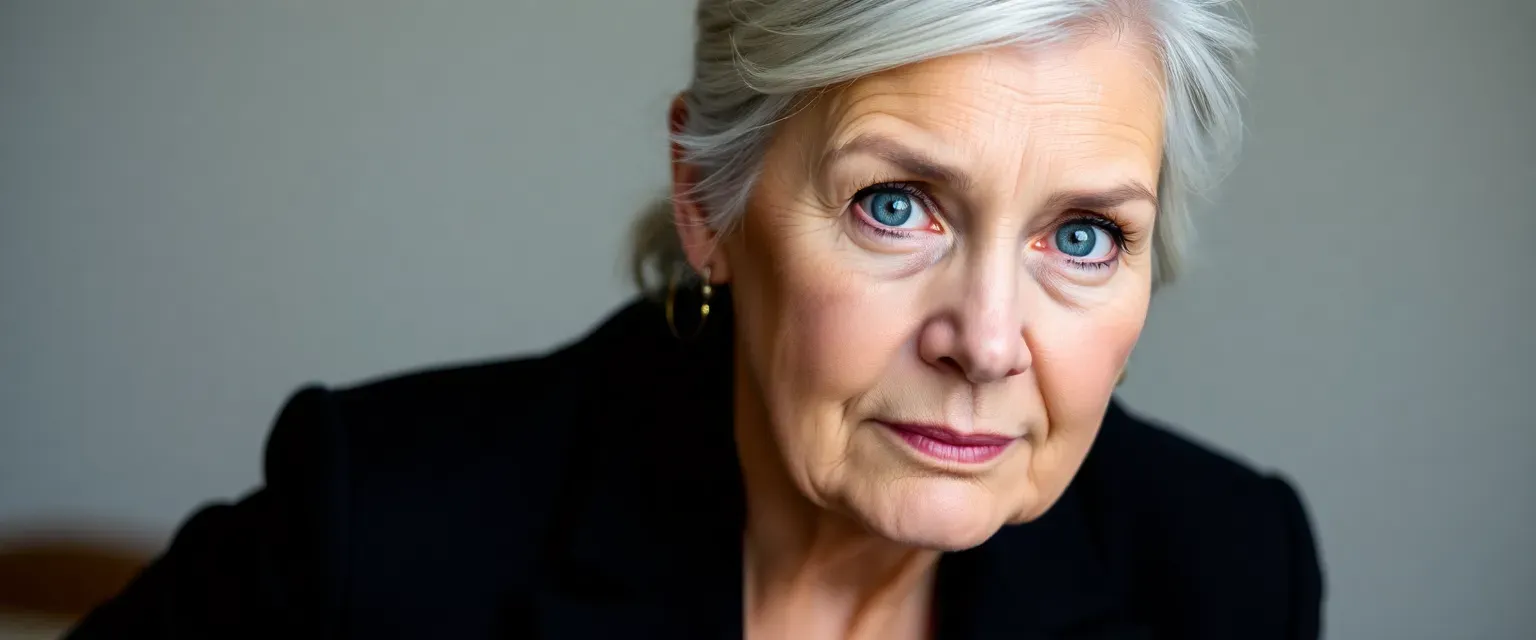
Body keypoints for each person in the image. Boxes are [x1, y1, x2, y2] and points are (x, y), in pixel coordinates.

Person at [70, 0, 1324, 638]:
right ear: (708, 200)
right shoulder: (378, 538)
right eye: (897, 204)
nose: (988, 340)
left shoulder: (1225, 571)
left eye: (1084, 236)